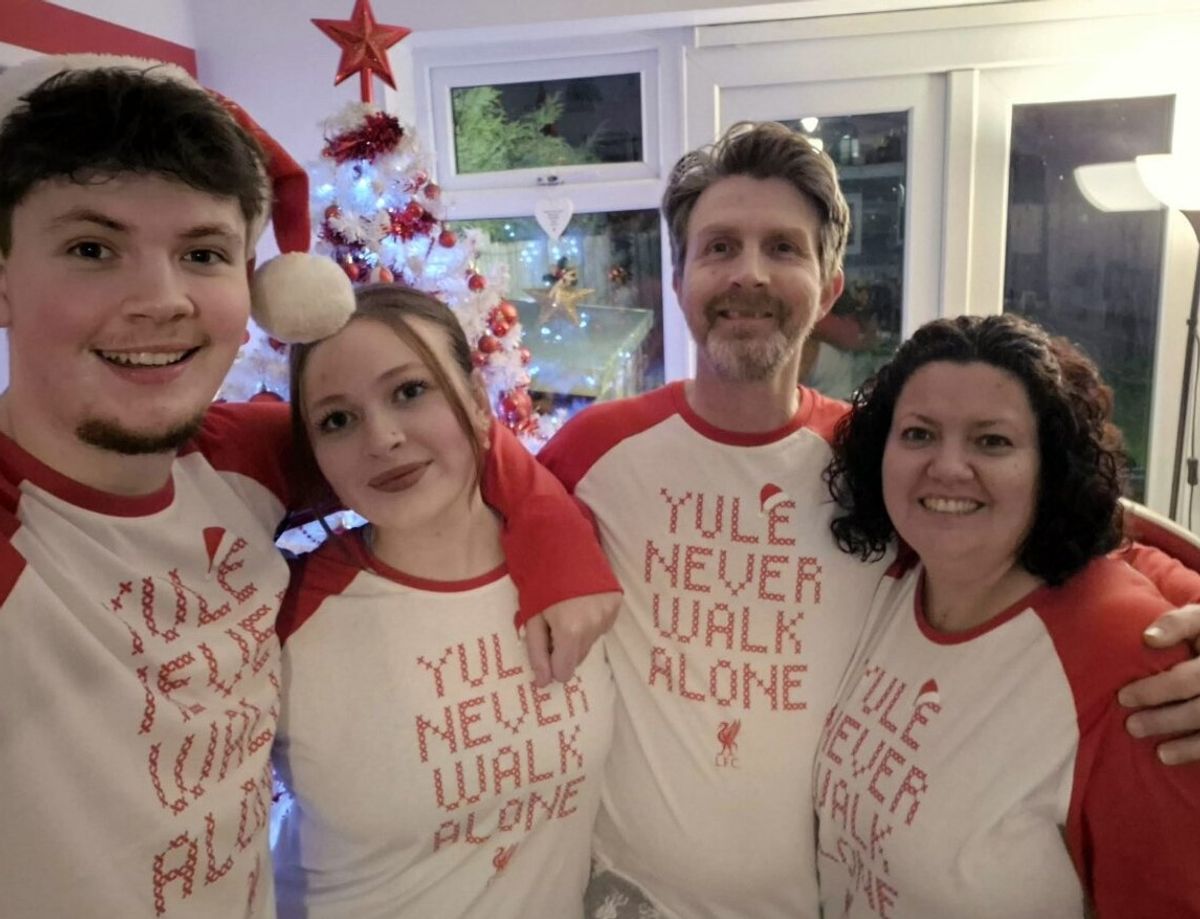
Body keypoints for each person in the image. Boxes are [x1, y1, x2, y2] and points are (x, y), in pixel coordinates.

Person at [0, 55, 617, 918]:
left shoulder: (245, 459)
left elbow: (442, 436)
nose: (159, 298)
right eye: (91, 248)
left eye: (203, 251)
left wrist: (557, 541)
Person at [538, 120, 1200, 919]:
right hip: (625, 898)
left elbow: (1076, 527)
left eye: (783, 247)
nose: (748, 273)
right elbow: (492, 519)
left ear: (830, 283)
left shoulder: (880, 459)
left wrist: (1184, 610)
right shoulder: (594, 449)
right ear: (679, 278)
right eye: (719, 246)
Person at [818, 313, 1200, 916]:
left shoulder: (1130, 657)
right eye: (918, 434)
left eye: (991, 440)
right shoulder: (893, 579)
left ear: (1051, 466)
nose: (946, 467)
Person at [270, 283, 615, 918]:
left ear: (480, 404)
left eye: (409, 391)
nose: (382, 438)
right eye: (336, 420)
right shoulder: (286, 613)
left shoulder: (582, 567)